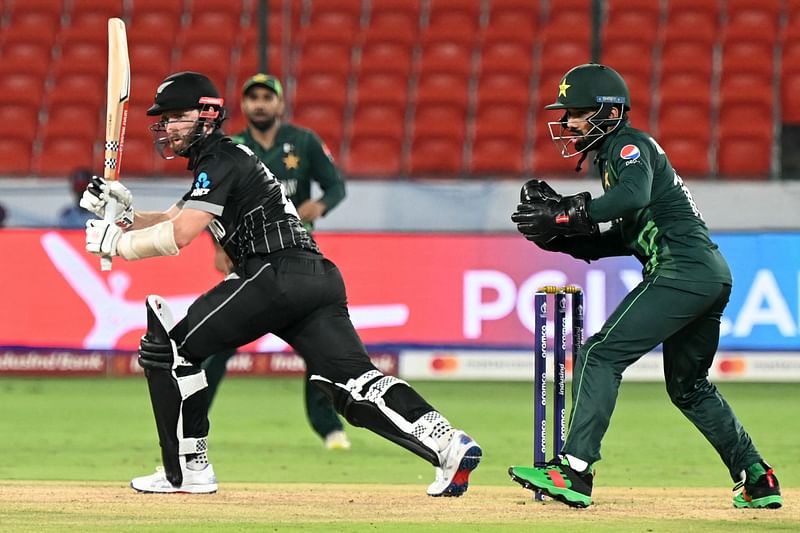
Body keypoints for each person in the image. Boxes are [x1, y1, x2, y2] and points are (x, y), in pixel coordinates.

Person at [81, 71, 481, 496]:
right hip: (316, 277)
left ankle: (187, 471)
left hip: (272, 273)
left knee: (172, 351)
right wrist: (123, 214)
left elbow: (179, 236)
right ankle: (447, 442)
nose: (168, 127)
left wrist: (120, 244)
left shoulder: (222, 158)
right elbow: (171, 219)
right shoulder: (224, 161)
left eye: (177, 117)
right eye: (165, 119)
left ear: (206, 116)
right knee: (353, 383)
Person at [507, 63, 782, 510]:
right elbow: (628, 232)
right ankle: (756, 477)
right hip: (708, 275)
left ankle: (573, 471)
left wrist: (564, 213)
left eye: (577, 112)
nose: (568, 123)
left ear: (609, 113)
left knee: (600, 354)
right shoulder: (617, 157)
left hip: (681, 272)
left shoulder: (628, 146)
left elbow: (631, 199)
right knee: (689, 388)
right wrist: (564, 241)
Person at [202, 73, 350, 450]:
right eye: (253, 98)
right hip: (248, 259)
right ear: (245, 105)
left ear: (280, 104)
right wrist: (218, 246)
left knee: (320, 348)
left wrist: (321, 204)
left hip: (298, 258)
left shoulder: (303, 141)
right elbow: (210, 203)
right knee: (216, 344)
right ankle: (192, 421)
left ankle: (329, 428)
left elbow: (336, 185)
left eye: (268, 97)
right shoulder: (232, 146)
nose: (260, 104)